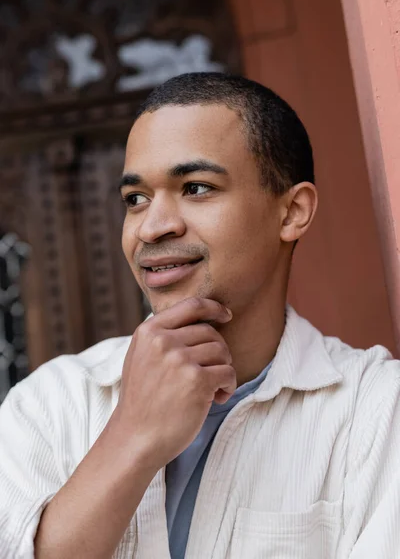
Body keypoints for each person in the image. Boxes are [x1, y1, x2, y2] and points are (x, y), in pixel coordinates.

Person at [1, 73, 400, 559]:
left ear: (292, 212)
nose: (151, 226)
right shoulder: (52, 403)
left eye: (195, 187)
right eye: (135, 199)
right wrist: (134, 435)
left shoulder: (375, 412)